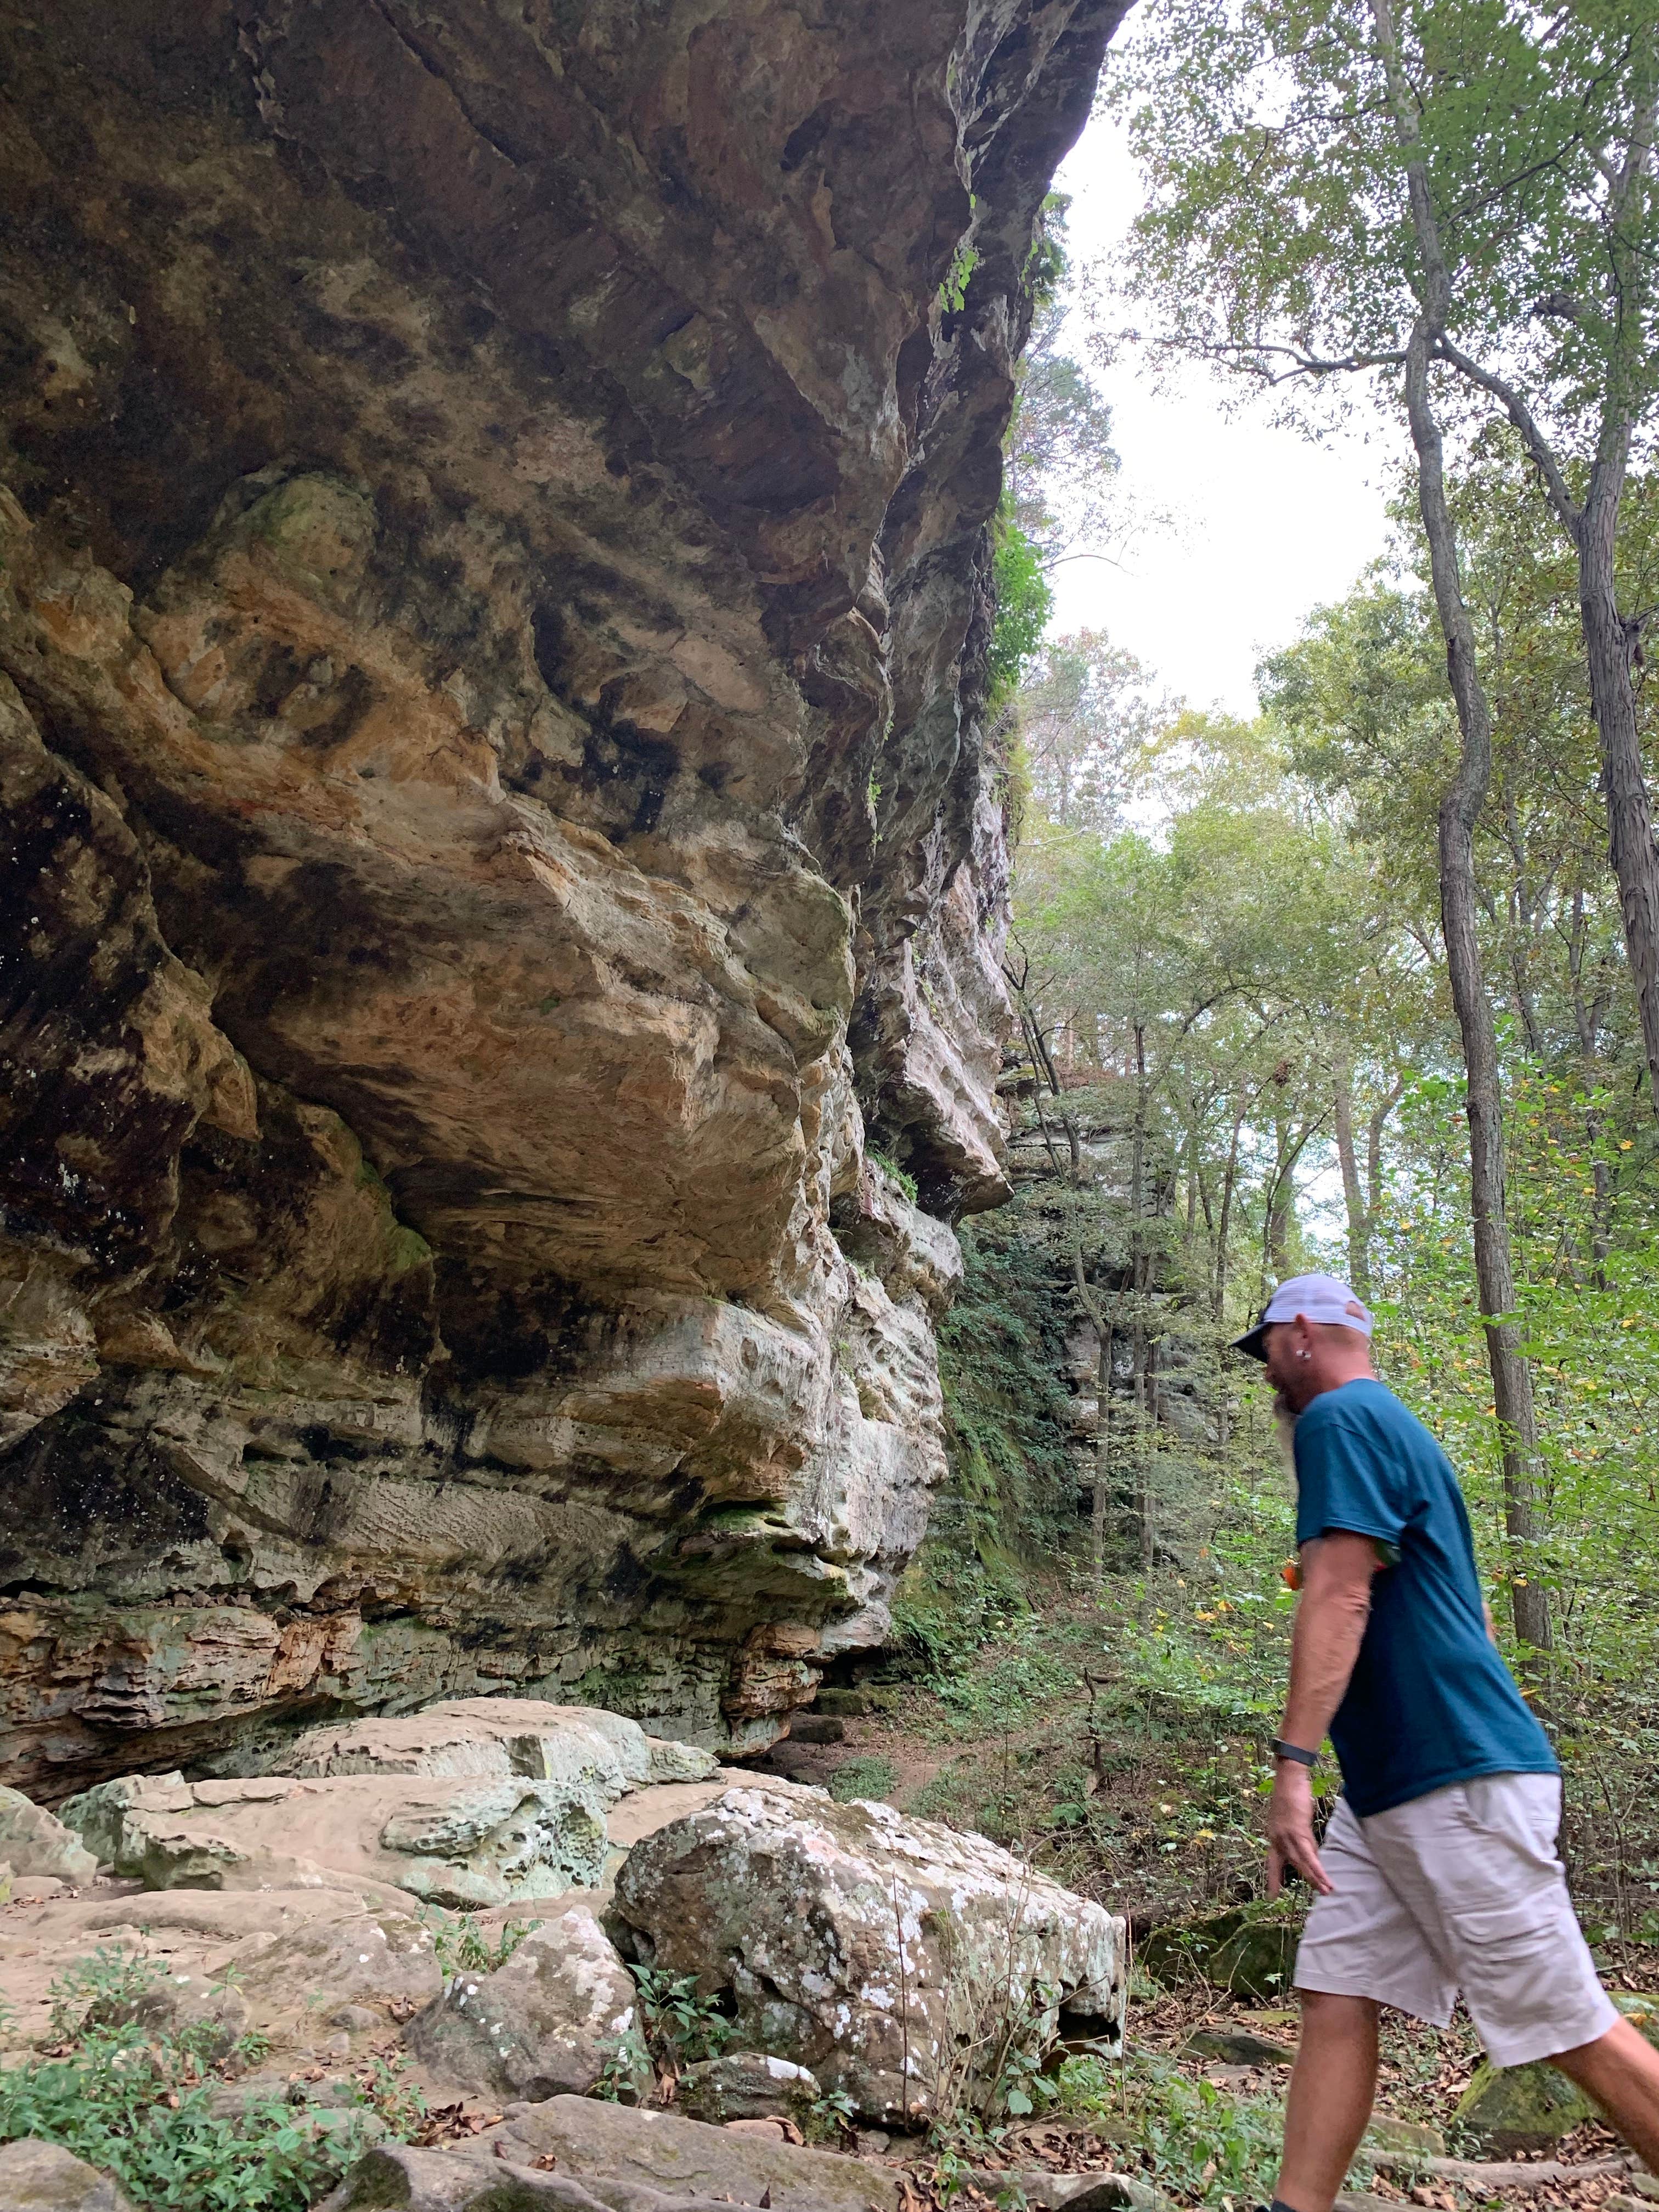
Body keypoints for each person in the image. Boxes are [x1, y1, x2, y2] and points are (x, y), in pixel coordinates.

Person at [1233, 1272, 1659, 2212]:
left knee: (1564, 2022)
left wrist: (1293, 1769)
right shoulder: (1400, 1433)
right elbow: (1470, 1620)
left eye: (1265, 1344)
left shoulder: (1339, 1423)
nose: (1263, 1366)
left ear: (1303, 1334)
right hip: (1397, 1789)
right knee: (1338, 1993)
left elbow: (1340, 1593)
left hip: (1452, 1780)